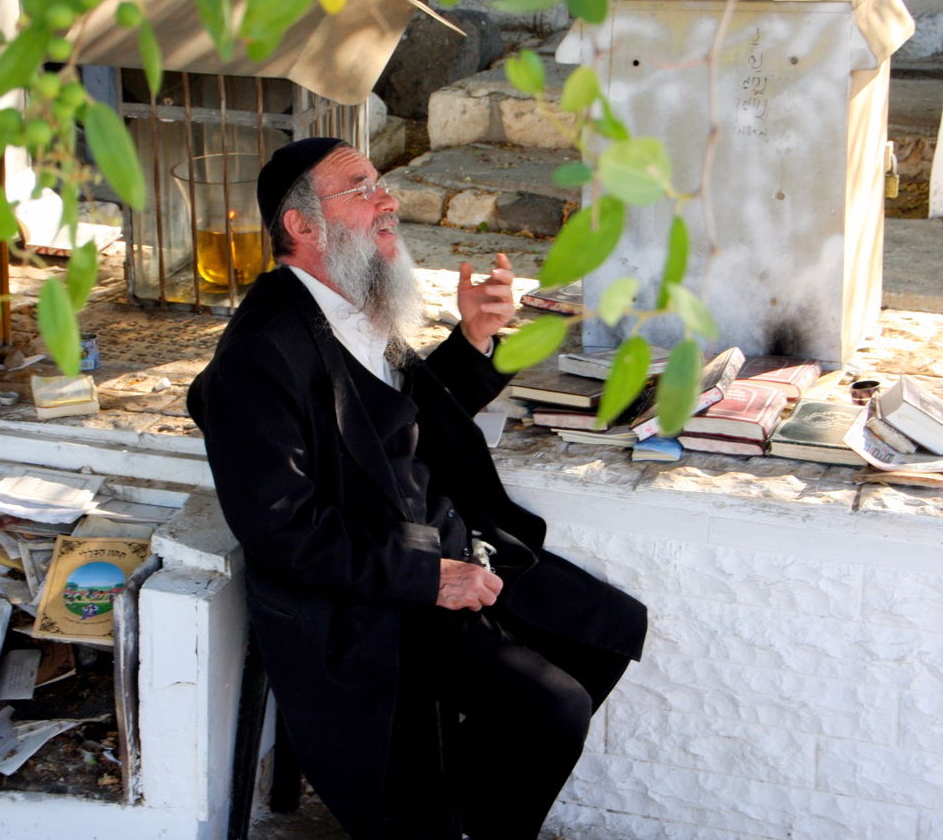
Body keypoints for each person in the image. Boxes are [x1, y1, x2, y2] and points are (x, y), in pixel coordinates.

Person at [187, 138, 647, 840]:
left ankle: (454, 818)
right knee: (552, 707)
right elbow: (282, 530)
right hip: (371, 594)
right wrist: (428, 578)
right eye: (361, 187)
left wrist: (474, 339)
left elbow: (395, 425)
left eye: (380, 183)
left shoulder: (351, 301)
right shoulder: (260, 353)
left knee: (607, 630)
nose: (388, 199)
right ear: (302, 227)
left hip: (446, 546)